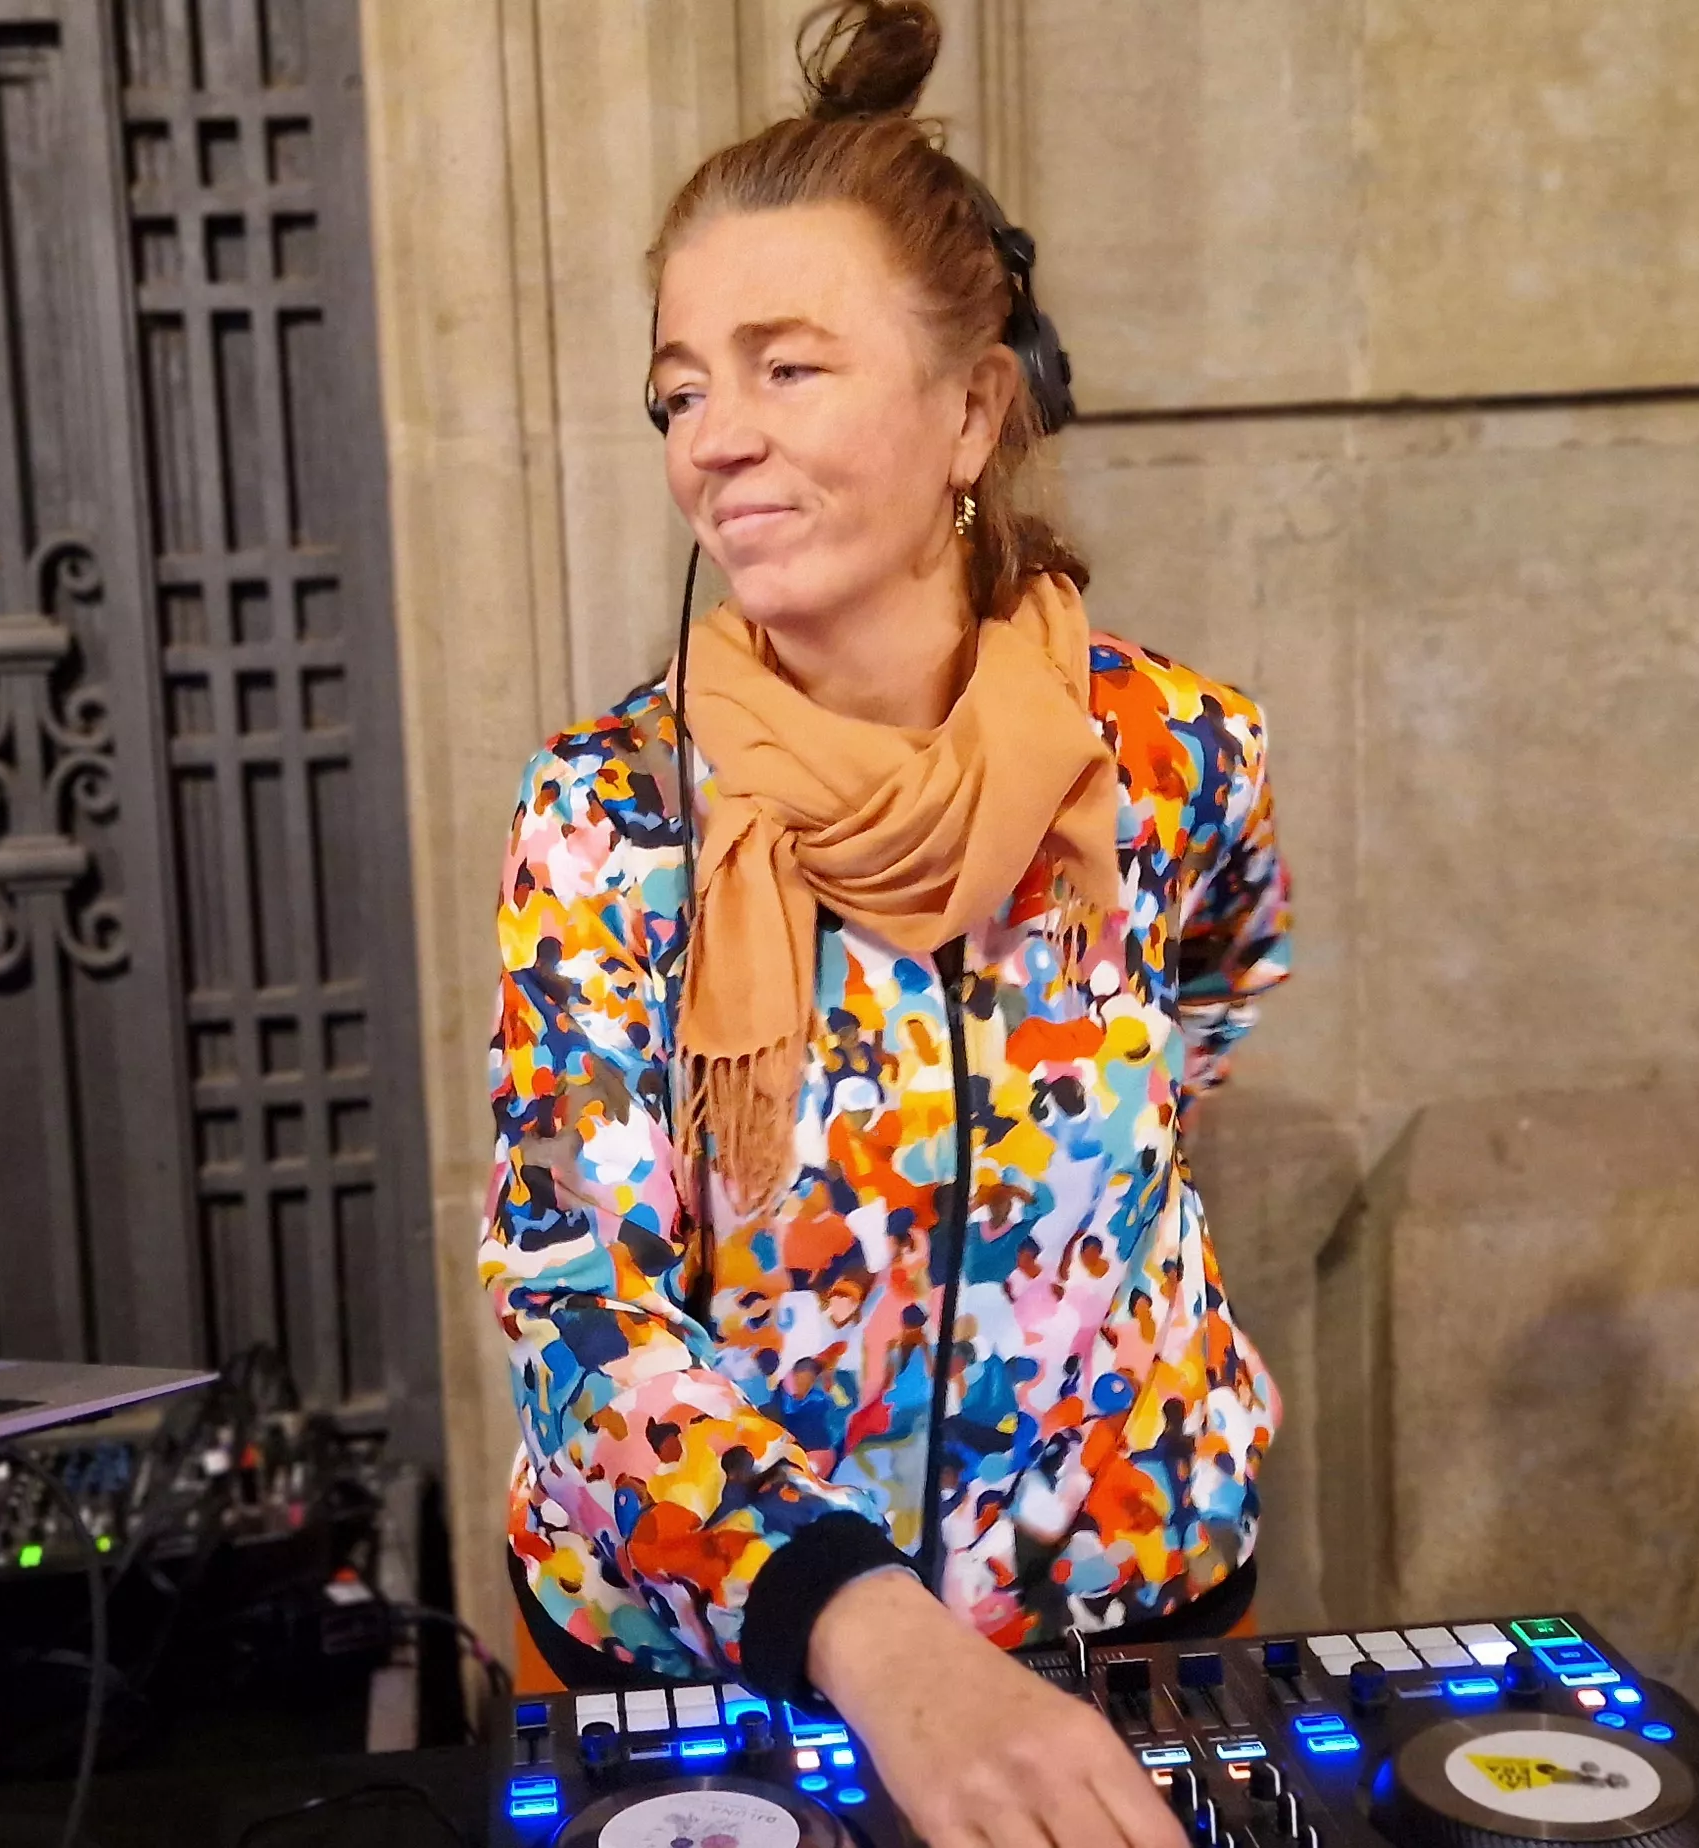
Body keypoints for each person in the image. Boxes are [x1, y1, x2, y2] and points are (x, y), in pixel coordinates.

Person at [477, 6, 1293, 1843]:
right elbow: (576, 1306)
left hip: (1130, 1623)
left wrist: (1089, 1307)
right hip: (724, 1664)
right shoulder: (613, 814)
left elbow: (1210, 1018)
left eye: (787, 369)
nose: (717, 440)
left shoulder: (1173, 755)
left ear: (974, 413)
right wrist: (871, 1630)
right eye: (684, 387)